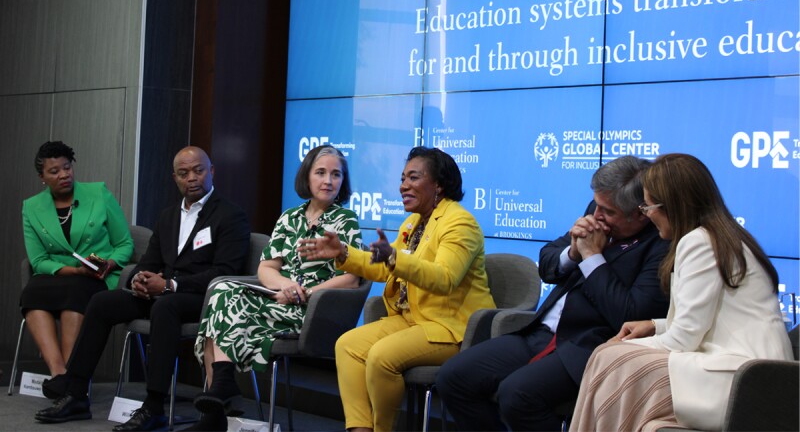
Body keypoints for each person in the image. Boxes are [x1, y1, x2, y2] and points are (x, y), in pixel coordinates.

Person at [436, 155, 671, 431]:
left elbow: (630, 314)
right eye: (595, 205)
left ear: (640, 214)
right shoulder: (598, 210)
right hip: (541, 333)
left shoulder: (660, 244)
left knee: (517, 395)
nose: (596, 216)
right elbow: (547, 263)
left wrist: (593, 257)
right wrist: (573, 252)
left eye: (607, 212)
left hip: (588, 346)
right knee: (452, 377)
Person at [570, 153, 794, 432]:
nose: (647, 214)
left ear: (672, 206)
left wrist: (623, 347)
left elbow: (684, 339)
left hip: (742, 378)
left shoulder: (699, 242)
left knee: (609, 356)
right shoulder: (717, 235)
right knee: (610, 357)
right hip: (743, 369)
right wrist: (654, 326)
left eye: (649, 206)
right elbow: (705, 322)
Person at [34, 146, 251, 432]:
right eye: (184, 173)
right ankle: (75, 394)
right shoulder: (168, 215)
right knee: (102, 302)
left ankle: (154, 407)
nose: (192, 178)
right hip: (163, 293)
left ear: (211, 172)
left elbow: (226, 273)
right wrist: (138, 279)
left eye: (199, 170)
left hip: (203, 299)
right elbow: (149, 261)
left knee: (165, 307)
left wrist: (171, 285)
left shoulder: (230, 215)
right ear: (175, 178)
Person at [298, 146, 495, 432]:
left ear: (438, 185)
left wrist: (394, 258)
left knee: (381, 357)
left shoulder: (459, 223)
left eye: (413, 178)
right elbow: (383, 266)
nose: (403, 185)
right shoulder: (414, 222)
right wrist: (343, 252)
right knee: (348, 346)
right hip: (413, 320)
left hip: (451, 328)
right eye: (403, 178)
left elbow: (445, 278)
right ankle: (359, 429)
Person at [184, 145, 363, 431]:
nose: (328, 180)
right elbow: (266, 268)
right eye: (321, 173)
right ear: (307, 177)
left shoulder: (345, 220)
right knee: (221, 292)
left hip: (314, 310)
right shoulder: (290, 217)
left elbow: (353, 278)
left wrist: (303, 292)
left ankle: (217, 402)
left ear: (343, 181)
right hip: (280, 299)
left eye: (336, 174)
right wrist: (287, 286)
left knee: (218, 315)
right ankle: (221, 389)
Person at [21, 141, 134, 387]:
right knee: (31, 293)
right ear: (42, 177)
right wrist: (74, 270)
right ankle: (59, 374)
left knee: (76, 291)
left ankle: (72, 379)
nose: (64, 175)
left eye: (67, 167)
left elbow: (125, 243)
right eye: (54, 171)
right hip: (58, 275)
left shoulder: (98, 193)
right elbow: (38, 260)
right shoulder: (31, 207)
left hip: (96, 278)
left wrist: (110, 264)